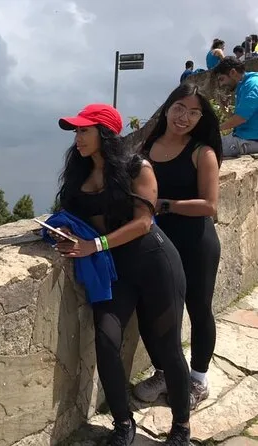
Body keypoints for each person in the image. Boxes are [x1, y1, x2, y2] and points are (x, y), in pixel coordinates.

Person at [50, 104, 191, 445]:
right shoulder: (79, 174)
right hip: (116, 272)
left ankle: (181, 429)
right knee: (106, 341)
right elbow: (73, 214)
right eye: (76, 131)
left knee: (168, 347)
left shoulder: (136, 168)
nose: (78, 137)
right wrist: (64, 230)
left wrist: (94, 245)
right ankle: (123, 424)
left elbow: (143, 223)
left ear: (104, 133)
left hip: (156, 264)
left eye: (84, 130)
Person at [135, 83, 222, 411]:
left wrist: (165, 205)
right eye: (179, 108)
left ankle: (198, 379)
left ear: (201, 118)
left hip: (196, 242)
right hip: (158, 242)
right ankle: (165, 372)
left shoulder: (202, 152)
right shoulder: (149, 146)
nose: (184, 117)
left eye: (193, 112)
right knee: (153, 308)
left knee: (199, 309)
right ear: (168, 108)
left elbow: (209, 205)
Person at [213, 56, 258, 157]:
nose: (221, 84)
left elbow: (241, 118)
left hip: (250, 140)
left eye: (222, 79)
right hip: (245, 136)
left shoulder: (252, 85)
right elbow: (241, 119)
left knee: (205, 149)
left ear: (233, 72)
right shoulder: (245, 84)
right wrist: (225, 109)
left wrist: (215, 129)